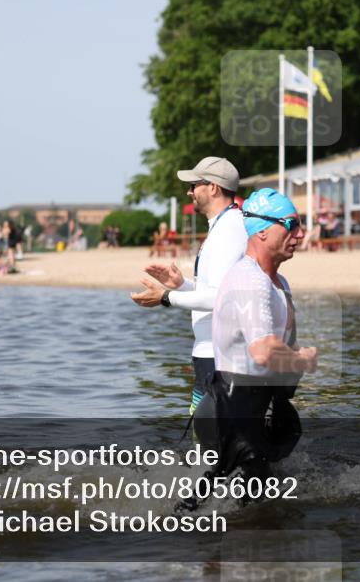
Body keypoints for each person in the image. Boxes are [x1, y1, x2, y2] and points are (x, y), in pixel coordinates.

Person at [196, 188, 316, 493]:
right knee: (222, 510)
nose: (300, 234)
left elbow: (277, 352)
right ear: (261, 231)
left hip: (256, 405)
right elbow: (263, 351)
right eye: (291, 225)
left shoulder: (278, 282)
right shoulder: (250, 280)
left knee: (257, 505)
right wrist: (302, 359)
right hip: (231, 409)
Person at [131, 157, 247, 415]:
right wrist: (182, 285)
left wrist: (165, 297)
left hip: (220, 356)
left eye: (194, 185)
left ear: (213, 188)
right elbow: (217, 290)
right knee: (205, 442)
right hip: (210, 354)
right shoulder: (223, 226)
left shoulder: (229, 230)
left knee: (212, 444)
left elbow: (221, 297)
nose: (189, 191)